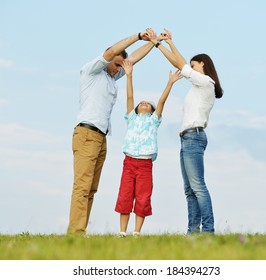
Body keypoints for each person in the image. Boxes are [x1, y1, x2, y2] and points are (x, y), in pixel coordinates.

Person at [67, 28, 158, 235]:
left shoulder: (111, 77)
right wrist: (137, 36)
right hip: (86, 134)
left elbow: (131, 59)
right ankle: (75, 233)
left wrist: (154, 43)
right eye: (116, 65)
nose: (119, 69)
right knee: (82, 186)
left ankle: (79, 231)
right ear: (108, 59)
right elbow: (112, 52)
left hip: (101, 138)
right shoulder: (92, 70)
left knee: (91, 188)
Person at [147, 30, 223, 234]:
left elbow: (180, 64)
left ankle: (208, 230)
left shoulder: (206, 82)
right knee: (189, 190)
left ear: (203, 65)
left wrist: (163, 44)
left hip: (194, 137)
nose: (191, 67)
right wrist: (165, 44)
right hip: (187, 138)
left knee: (198, 186)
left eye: (194, 64)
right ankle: (193, 231)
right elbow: (180, 64)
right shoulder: (197, 87)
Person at [114, 60, 182, 237]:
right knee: (125, 196)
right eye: (141, 103)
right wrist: (129, 75)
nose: (143, 103)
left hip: (144, 165)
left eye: (147, 104)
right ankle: (122, 232)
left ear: (152, 111)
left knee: (143, 198)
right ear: (136, 109)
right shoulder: (132, 118)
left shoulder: (153, 120)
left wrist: (170, 83)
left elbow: (161, 101)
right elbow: (130, 97)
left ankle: (136, 232)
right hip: (129, 163)